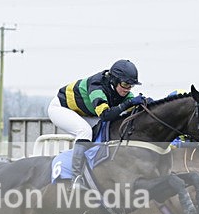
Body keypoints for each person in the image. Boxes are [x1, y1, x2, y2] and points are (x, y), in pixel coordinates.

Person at [47, 59, 146, 187]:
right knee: (85, 131)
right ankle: (76, 178)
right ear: (114, 80)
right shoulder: (97, 86)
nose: (128, 89)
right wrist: (128, 104)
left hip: (83, 112)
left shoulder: (119, 89)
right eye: (125, 84)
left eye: (131, 86)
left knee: (105, 128)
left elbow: (131, 106)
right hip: (60, 108)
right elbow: (105, 115)